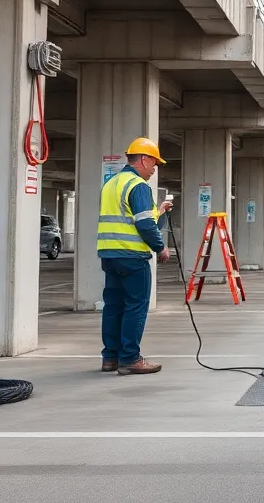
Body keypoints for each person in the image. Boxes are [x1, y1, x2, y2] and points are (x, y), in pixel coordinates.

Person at [98, 137, 174, 375]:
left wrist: (159, 210)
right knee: (136, 306)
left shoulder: (112, 183)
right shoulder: (138, 185)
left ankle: (110, 358)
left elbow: (136, 217)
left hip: (110, 255)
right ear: (143, 159)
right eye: (154, 163)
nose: (154, 169)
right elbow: (144, 225)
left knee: (113, 306)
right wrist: (160, 247)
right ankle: (130, 358)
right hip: (132, 256)